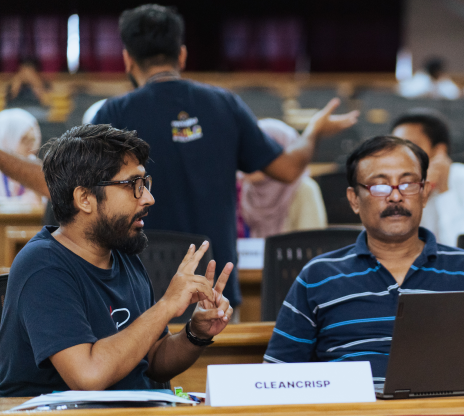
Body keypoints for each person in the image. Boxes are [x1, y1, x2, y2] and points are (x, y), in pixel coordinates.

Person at [86, 4, 358, 310]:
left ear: (126, 59)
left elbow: (74, 185)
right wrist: (314, 130)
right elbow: (290, 168)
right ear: (183, 55)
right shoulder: (224, 104)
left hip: (139, 290)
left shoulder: (112, 113)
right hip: (216, 291)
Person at [0, 124, 235, 396]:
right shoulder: (42, 266)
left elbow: (153, 361)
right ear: (85, 199)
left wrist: (195, 333)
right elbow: (88, 377)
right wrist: (167, 305)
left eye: (145, 183)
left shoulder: (122, 254)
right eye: (133, 185)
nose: (148, 197)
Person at [263, 136, 464, 382]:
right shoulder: (317, 276)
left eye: (407, 184)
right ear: (354, 199)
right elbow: (277, 375)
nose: (395, 197)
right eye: (380, 186)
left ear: (425, 193)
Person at [391, 109, 464, 246]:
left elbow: (463, 249)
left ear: (439, 150)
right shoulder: (387, 182)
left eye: (411, 146)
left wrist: (444, 190)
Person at [239, 118, 327, 238]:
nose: (251, 159)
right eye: (246, 150)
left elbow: (312, 246)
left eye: (261, 153)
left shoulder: (304, 189)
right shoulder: (242, 188)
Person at [0, 109, 44, 208]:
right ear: (6, 139)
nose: (31, 147)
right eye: (24, 140)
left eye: (33, 140)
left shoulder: (35, 166)